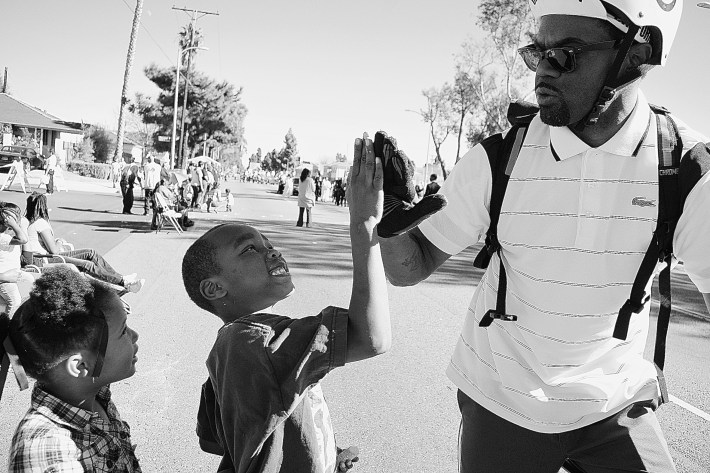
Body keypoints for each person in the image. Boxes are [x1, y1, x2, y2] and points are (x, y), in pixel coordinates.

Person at [373, 1, 710, 472]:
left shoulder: (686, 171)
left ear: (637, 53)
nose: (541, 72)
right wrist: (388, 217)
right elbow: (407, 269)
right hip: (502, 399)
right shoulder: (499, 158)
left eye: (565, 55)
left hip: (614, 405)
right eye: (537, 53)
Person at [181, 136, 388, 473]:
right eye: (250, 249)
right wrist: (365, 228)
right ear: (215, 289)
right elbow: (372, 338)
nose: (272, 251)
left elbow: (214, 439)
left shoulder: (230, 348)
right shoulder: (257, 339)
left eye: (269, 244)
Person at [1, 266, 142, 472]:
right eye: (123, 331)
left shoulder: (93, 394)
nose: (135, 335)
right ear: (80, 365)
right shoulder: (49, 453)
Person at [23, 192, 145, 293]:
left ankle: (121, 278)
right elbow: (54, 250)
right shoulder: (40, 223)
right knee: (87, 264)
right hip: (46, 258)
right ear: (43, 206)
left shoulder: (30, 222)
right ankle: (125, 283)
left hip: (43, 256)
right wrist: (59, 242)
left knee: (90, 253)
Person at [0, 202, 33, 316]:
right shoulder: (2, 237)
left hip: (14, 273)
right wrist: (14, 225)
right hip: (4, 279)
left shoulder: (6, 236)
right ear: (6, 219)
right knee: (14, 301)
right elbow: (23, 239)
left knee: (32, 282)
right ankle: (7, 327)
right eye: (15, 217)